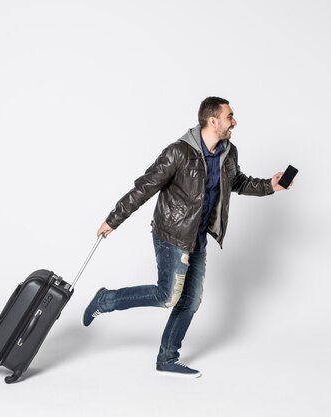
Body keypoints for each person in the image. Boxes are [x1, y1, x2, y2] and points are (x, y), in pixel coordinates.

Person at [83, 96, 292, 378]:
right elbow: (145, 187)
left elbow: (238, 182)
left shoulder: (228, 153)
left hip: (198, 238)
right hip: (171, 234)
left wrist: (270, 185)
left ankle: (167, 358)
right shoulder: (178, 152)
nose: (235, 122)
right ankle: (105, 300)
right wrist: (114, 218)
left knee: (190, 301)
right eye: (230, 117)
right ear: (212, 120)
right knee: (167, 295)